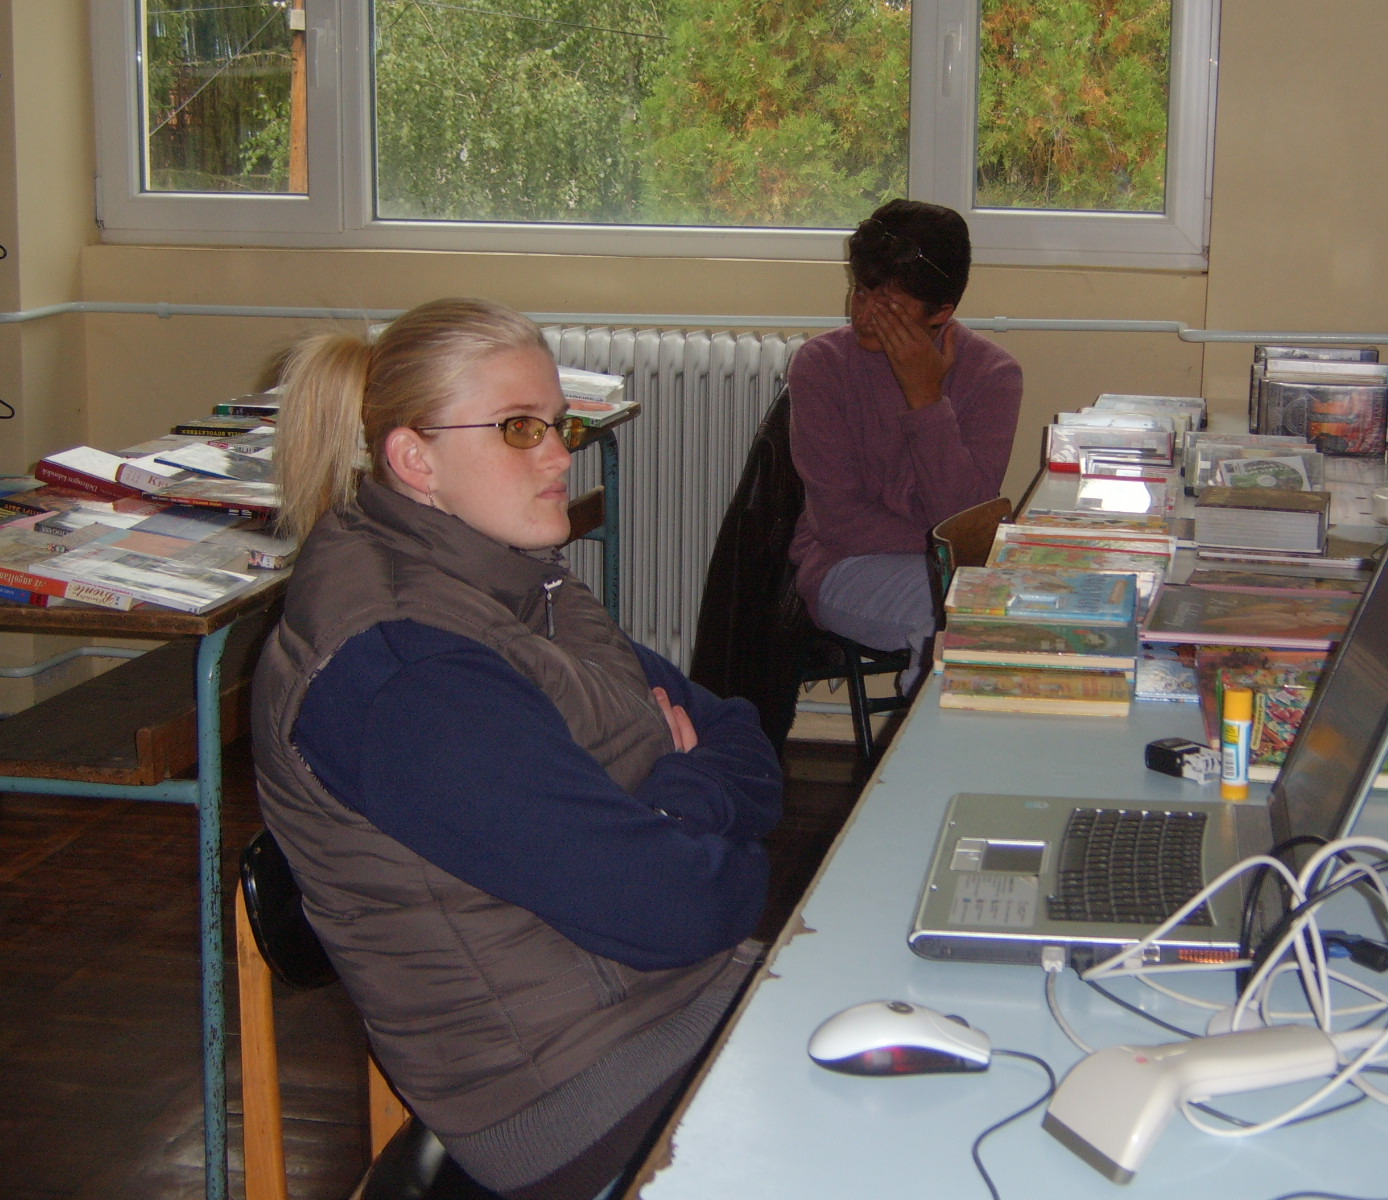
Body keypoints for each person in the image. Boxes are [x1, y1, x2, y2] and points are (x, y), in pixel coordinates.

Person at [250, 297, 783, 1200]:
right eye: (518, 428)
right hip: (572, 1098)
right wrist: (689, 808)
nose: (561, 454)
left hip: (670, 1005)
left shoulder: (523, 585)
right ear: (415, 460)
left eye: (557, 424)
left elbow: (743, 735)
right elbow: (684, 905)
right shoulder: (403, 674)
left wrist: (676, 810)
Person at [787, 199, 1024, 685]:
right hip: (842, 567)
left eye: (890, 305)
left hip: (948, 568)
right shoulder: (822, 365)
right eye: (861, 291)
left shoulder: (993, 375)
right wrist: (940, 541)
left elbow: (962, 516)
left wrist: (926, 400)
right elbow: (838, 522)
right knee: (951, 610)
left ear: (943, 312)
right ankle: (931, 733)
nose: (865, 314)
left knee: (1001, 605)